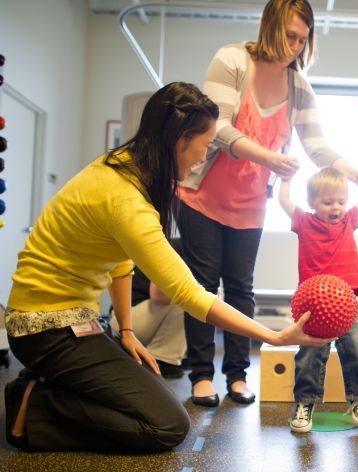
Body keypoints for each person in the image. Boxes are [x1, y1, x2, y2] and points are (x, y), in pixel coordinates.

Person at [2, 82, 332, 453]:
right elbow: (189, 293)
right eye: (205, 144)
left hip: (78, 320)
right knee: (166, 427)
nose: (204, 155)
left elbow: (120, 263)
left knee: (146, 391)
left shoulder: (124, 167)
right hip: (45, 327)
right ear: (179, 140)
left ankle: (52, 387)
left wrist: (126, 330)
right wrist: (272, 337)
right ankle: (35, 408)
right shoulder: (125, 198)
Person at [176, 0, 358, 407]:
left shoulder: (298, 87)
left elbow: (316, 146)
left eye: (303, 39)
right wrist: (269, 157)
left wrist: (357, 174)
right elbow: (218, 126)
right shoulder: (231, 60)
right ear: (270, 27)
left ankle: (237, 375)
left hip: (249, 204)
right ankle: (201, 375)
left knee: (241, 291)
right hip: (202, 197)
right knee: (203, 286)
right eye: (290, 36)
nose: (296, 46)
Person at [279, 167, 358, 432]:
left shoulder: (348, 221)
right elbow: (284, 202)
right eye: (327, 202)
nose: (336, 207)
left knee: (356, 346)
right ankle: (305, 403)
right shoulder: (304, 222)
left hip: (347, 304)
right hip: (313, 306)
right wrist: (286, 179)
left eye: (341, 202)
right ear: (312, 202)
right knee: (310, 353)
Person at [110, 239, 187, 379]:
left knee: (193, 300)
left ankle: (169, 355)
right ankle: (161, 359)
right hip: (123, 322)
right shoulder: (174, 247)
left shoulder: (200, 255)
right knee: (186, 300)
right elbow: (157, 296)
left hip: (142, 319)